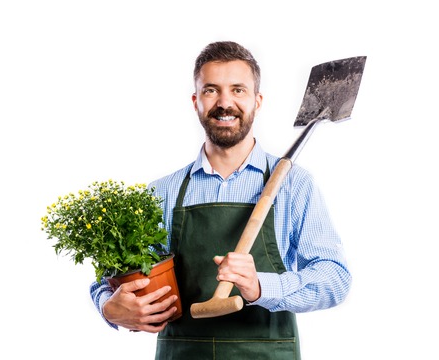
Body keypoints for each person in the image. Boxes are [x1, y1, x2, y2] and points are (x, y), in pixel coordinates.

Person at [90, 41, 351, 359]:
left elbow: (335, 278)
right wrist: (108, 306)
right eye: (211, 90)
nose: (225, 103)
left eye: (238, 90)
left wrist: (260, 287)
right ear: (195, 101)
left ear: (257, 100)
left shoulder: (295, 186)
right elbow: (113, 274)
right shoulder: (161, 193)